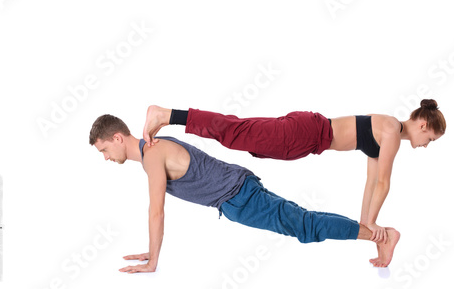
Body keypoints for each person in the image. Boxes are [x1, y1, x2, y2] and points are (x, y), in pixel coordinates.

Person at [89, 114, 400, 273]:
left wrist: (153, 259)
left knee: (305, 226)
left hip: (240, 196)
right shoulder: (153, 151)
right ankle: (378, 237)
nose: (105, 157)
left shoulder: (152, 156)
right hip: (239, 195)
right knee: (303, 222)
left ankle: (381, 237)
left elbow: (156, 210)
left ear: (117, 138)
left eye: (104, 150)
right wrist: (151, 250)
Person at [142, 99, 446, 244]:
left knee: (242, 139)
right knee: (236, 132)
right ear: (423, 125)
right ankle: (167, 114)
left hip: (305, 141)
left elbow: (371, 183)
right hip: (306, 134)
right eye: (429, 139)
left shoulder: (385, 131)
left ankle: (171, 115)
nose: (425, 145)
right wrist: (373, 222)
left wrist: (368, 223)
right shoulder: (392, 131)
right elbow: (383, 183)